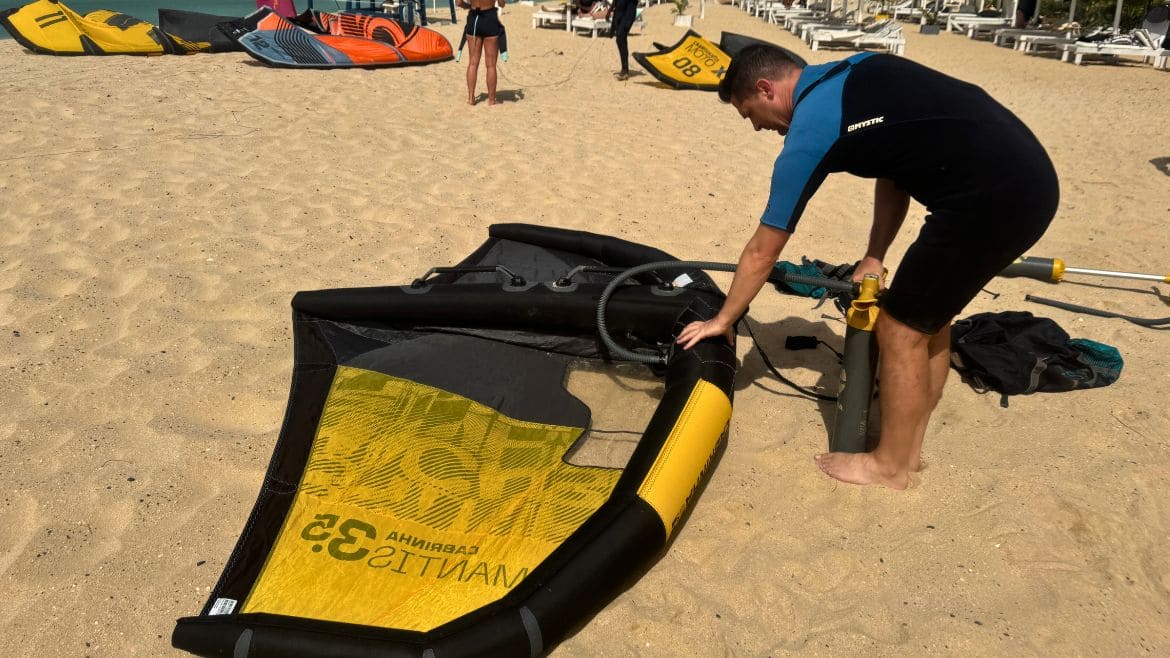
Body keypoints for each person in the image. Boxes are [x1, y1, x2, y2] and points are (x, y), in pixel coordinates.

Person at [675, 46, 1059, 489]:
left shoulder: (810, 129)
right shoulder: (853, 70)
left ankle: (889, 466)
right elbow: (895, 167)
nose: (758, 126)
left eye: (751, 113)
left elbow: (764, 249)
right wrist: (875, 255)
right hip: (1024, 179)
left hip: (989, 198)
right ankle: (908, 452)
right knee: (930, 322)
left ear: (766, 88)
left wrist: (724, 319)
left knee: (899, 330)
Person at [457, 0, 507, 105]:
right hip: (490, 18)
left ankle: (471, 98)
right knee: (491, 65)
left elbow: (458, 3)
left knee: (473, 63)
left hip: (474, 18)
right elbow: (502, 4)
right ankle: (492, 100)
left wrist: (469, 6)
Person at [606, 0, 638, 81]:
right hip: (619, 12)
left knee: (620, 37)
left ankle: (625, 70)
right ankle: (624, 68)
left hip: (628, 13)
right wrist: (610, 10)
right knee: (620, 40)